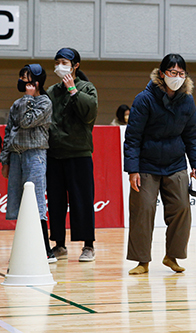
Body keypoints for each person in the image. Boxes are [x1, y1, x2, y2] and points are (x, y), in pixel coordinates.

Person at [124, 53, 196, 275]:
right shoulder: (145, 99)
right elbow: (132, 138)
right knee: (143, 209)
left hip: (175, 163)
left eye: (181, 73)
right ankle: (142, 261)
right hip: (146, 165)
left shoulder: (187, 100)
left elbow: (191, 135)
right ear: (162, 74)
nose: (177, 77)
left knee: (182, 208)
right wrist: (133, 169)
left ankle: (172, 256)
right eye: (172, 72)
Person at [46, 48, 98, 262]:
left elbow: (89, 114)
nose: (60, 65)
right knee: (56, 202)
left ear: (75, 65)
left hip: (79, 153)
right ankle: (58, 244)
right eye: (57, 61)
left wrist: (73, 90)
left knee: (82, 201)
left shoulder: (87, 88)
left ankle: (88, 245)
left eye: (64, 62)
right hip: (55, 154)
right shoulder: (51, 91)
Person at [0, 64, 54, 263]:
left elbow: (26, 121)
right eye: (21, 77)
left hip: (35, 155)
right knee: (18, 201)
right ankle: (26, 246)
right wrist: (5, 160)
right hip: (16, 156)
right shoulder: (19, 102)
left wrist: (28, 98)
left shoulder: (44, 102)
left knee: (36, 200)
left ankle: (46, 250)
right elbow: (9, 131)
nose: (22, 81)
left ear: (37, 82)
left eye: (26, 77)